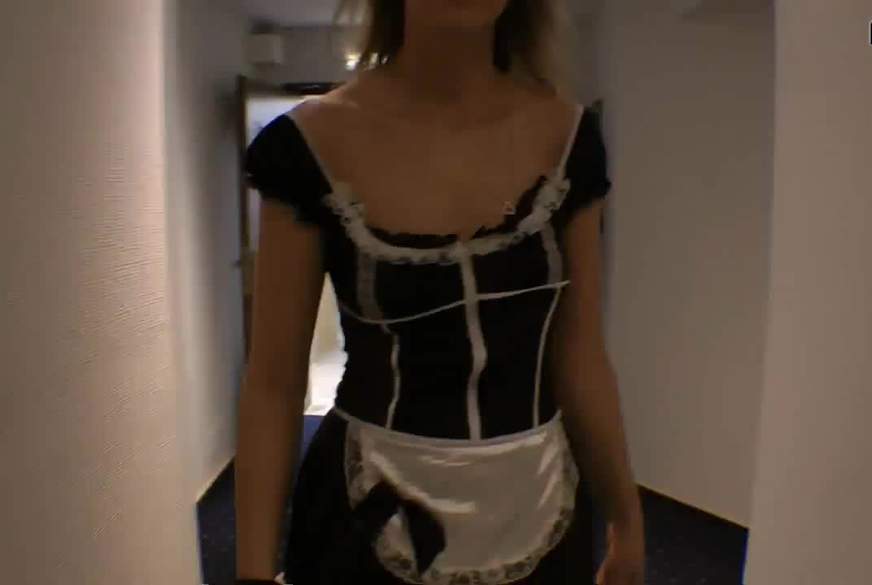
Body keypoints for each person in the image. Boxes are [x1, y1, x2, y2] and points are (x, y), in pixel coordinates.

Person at [235, 1, 645, 584]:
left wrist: (627, 521)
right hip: (361, 514)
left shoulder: (570, 138)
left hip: (543, 503)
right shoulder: (307, 144)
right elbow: (273, 384)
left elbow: (581, 358)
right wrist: (252, 575)